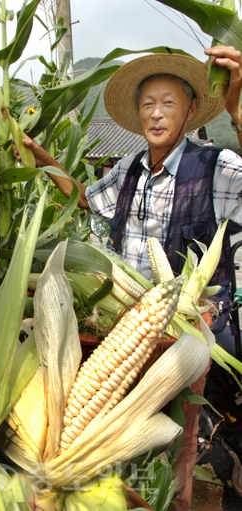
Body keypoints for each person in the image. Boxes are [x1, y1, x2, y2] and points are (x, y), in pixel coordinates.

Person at [14, 46, 242, 333]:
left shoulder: (215, 167)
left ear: (192, 108)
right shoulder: (128, 168)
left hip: (191, 331)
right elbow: (85, 198)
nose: (156, 114)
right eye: (148, 104)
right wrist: (40, 157)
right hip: (126, 324)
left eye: (169, 103)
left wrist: (237, 113)